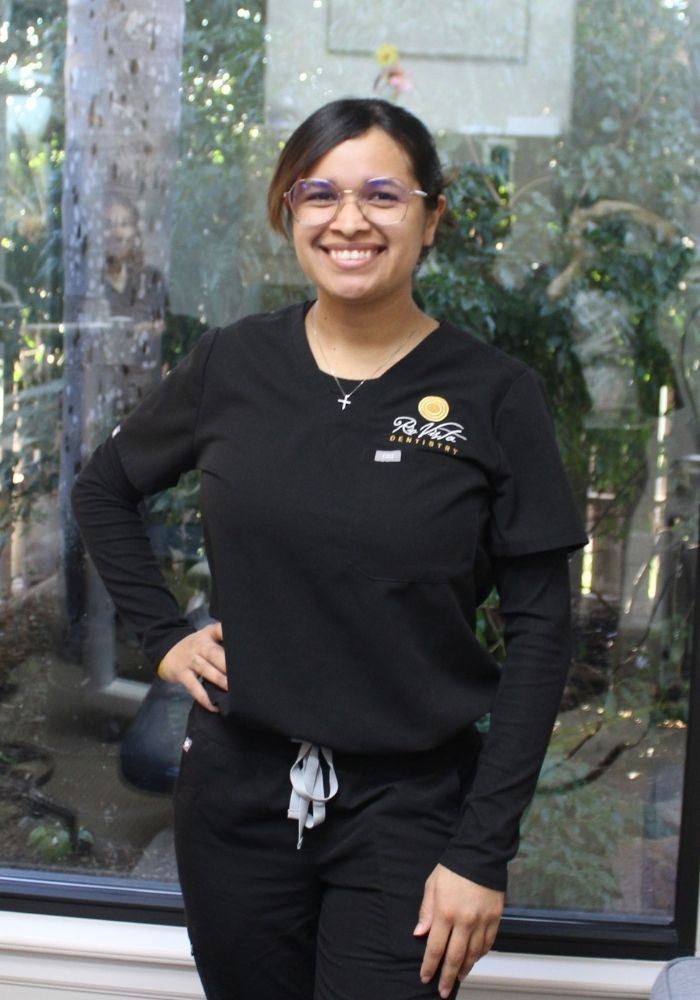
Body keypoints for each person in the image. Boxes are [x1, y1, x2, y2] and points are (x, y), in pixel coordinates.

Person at [72, 98, 588, 1000]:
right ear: (289, 212)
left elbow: (543, 635)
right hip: (236, 799)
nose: (349, 220)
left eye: (383, 195)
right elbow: (103, 490)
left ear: (431, 218)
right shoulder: (233, 365)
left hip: (410, 809)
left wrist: (481, 850)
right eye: (319, 194)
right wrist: (162, 635)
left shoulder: (495, 395)